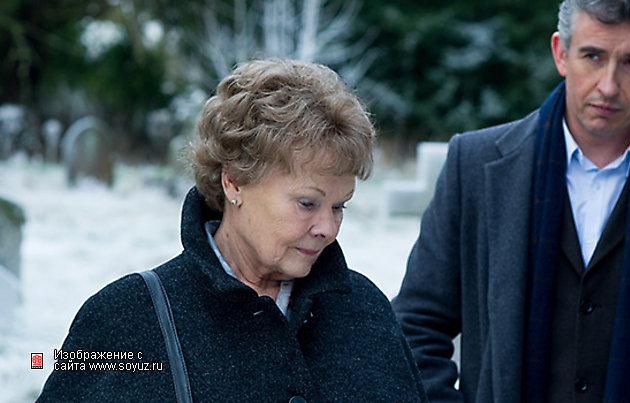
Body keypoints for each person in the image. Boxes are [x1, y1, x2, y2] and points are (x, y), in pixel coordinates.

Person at [391, 1, 630, 402]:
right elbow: (414, 326)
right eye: (593, 56)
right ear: (561, 53)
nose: (609, 86)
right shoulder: (473, 166)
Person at [38, 59, 426, 402]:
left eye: (340, 206)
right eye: (307, 203)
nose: (328, 228)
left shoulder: (366, 311)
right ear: (234, 182)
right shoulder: (124, 319)